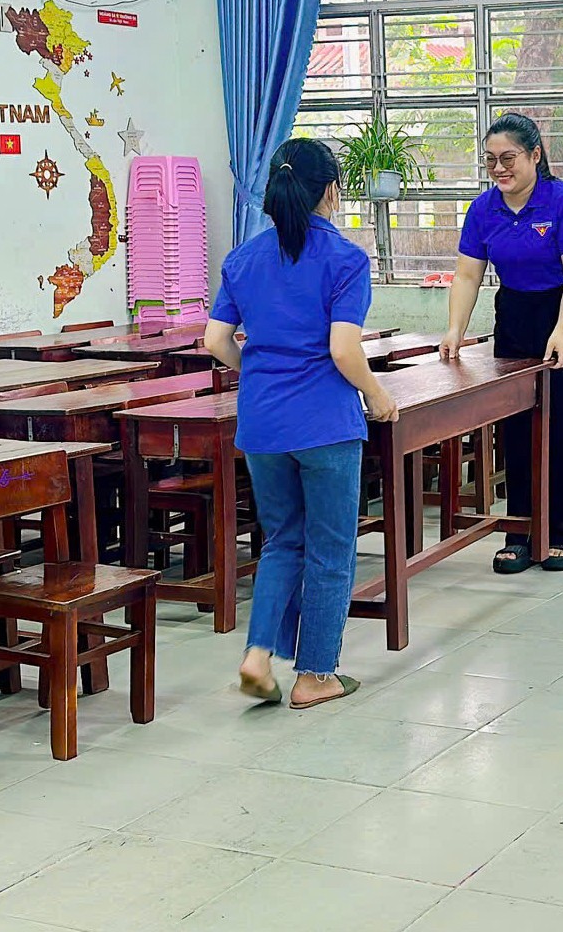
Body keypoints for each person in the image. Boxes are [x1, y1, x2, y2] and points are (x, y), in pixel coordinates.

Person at [206, 138, 399, 710]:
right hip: (325, 425)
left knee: (281, 541)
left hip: (262, 424)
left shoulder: (243, 259)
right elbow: (344, 349)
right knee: (332, 549)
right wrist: (378, 392)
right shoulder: (345, 259)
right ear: (332, 192)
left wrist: (260, 373)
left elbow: (216, 341)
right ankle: (315, 674)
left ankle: (258, 655)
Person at [441, 112, 563, 574]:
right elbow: (469, 275)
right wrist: (455, 327)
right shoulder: (483, 209)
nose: (499, 169)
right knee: (515, 422)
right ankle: (520, 530)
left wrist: (561, 330)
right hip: (515, 313)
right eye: (490, 161)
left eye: (508, 158)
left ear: (535, 155)